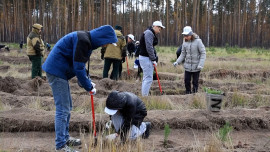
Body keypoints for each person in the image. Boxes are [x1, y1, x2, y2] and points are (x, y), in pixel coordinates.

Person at [42, 25, 117, 152]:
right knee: (62, 109)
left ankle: (65, 138)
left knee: (67, 107)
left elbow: (80, 64)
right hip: (56, 71)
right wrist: (88, 86)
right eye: (107, 43)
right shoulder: (83, 40)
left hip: (60, 71)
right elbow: (78, 68)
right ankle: (60, 146)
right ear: (102, 39)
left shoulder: (86, 40)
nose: (105, 46)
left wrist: (88, 81)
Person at [173, 26, 206, 94]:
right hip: (187, 66)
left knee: (195, 82)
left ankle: (195, 94)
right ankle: (188, 93)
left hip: (196, 66)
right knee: (187, 81)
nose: (185, 37)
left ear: (191, 34)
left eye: (187, 35)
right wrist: (177, 62)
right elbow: (183, 54)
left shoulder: (198, 41)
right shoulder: (184, 42)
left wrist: (200, 65)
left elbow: (203, 53)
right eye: (184, 35)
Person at [139, 21, 165, 96]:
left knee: (146, 78)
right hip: (146, 58)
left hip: (146, 58)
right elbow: (149, 47)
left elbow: (151, 47)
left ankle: (144, 95)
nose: (160, 31)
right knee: (148, 79)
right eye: (160, 29)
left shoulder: (149, 33)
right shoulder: (149, 33)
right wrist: (153, 59)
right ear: (156, 27)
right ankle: (145, 97)